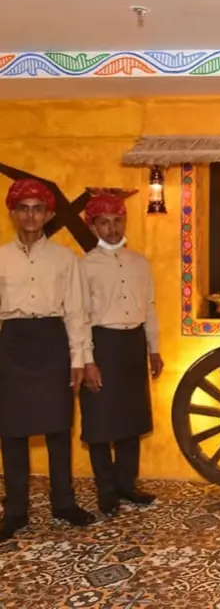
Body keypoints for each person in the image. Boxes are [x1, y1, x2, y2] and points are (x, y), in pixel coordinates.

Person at [0, 179, 94, 542]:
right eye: (23, 207)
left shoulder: (65, 258)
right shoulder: (1, 257)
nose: (30, 215)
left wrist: (79, 358)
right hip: (12, 344)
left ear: (48, 214)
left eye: (37, 208)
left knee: (58, 427)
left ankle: (64, 503)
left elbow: (76, 312)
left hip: (53, 342)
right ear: (12, 213)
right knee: (11, 430)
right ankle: (16, 510)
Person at [79, 193, 163, 515]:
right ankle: (107, 490)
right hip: (102, 343)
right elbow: (80, 315)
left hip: (133, 344)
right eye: (104, 222)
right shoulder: (84, 266)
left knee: (130, 419)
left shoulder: (140, 262)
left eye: (117, 221)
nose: (112, 228)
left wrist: (153, 349)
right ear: (94, 226)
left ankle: (128, 484)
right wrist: (88, 360)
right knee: (100, 421)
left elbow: (150, 307)